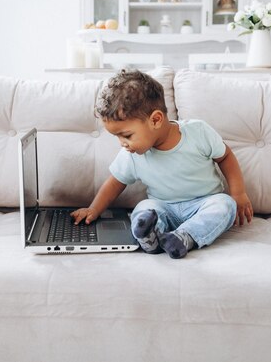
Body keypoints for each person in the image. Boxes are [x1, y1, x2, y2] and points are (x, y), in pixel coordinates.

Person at [71, 70, 253, 259]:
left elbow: (225, 157)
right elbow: (115, 183)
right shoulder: (131, 154)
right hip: (164, 208)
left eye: (126, 135)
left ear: (155, 120)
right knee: (144, 208)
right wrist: (93, 209)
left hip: (203, 204)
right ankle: (150, 237)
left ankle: (186, 236)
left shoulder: (198, 133)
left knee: (225, 205)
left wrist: (239, 193)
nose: (122, 143)